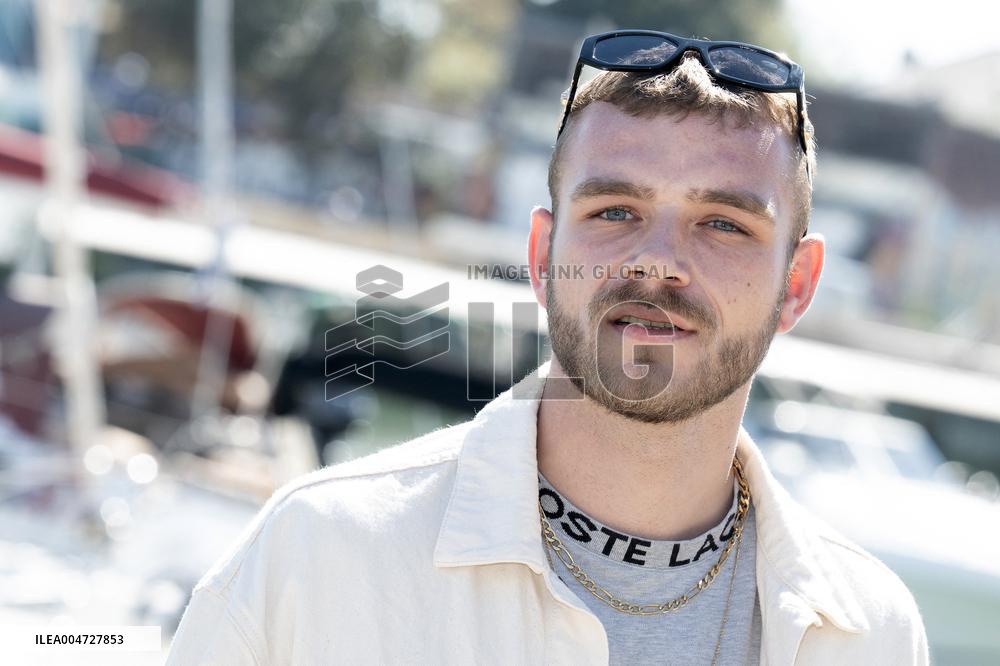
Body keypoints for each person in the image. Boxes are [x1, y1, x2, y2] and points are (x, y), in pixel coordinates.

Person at [167, 30, 929, 665]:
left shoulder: (872, 633)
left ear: (796, 283)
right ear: (541, 255)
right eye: (615, 210)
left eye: (724, 224)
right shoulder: (321, 554)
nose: (657, 259)